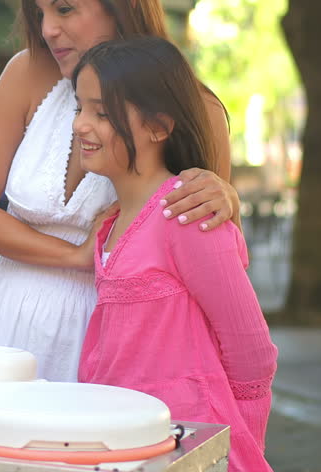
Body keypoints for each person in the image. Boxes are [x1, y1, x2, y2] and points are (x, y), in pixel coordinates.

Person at [0, 0, 239, 382]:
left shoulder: (195, 108)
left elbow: (207, 264)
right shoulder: (28, 73)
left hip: (115, 338)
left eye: (64, 8)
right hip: (4, 323)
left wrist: (226, 200)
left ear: (125, 0)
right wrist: (77, 256)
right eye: (40, 12)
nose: (48, 29)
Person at [73, 36, 277, 472]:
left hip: (192, 448)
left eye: (102, 113)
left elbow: (252, 350)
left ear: (158, 127)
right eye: (80, 108)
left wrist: (239, 447)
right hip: (129, 446)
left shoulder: (186, 213)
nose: (80, 125)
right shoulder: (109, 225)